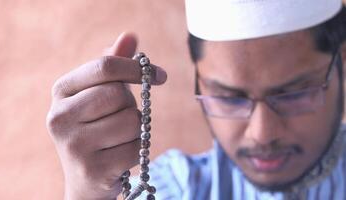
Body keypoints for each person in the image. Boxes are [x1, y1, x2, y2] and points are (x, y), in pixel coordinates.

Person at [46, 0, 346, 199]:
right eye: (228, 98)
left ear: (342, 61)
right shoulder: (176, 188)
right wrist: (87, 193)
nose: (262, 133)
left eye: (293, 94)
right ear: (199, 80)